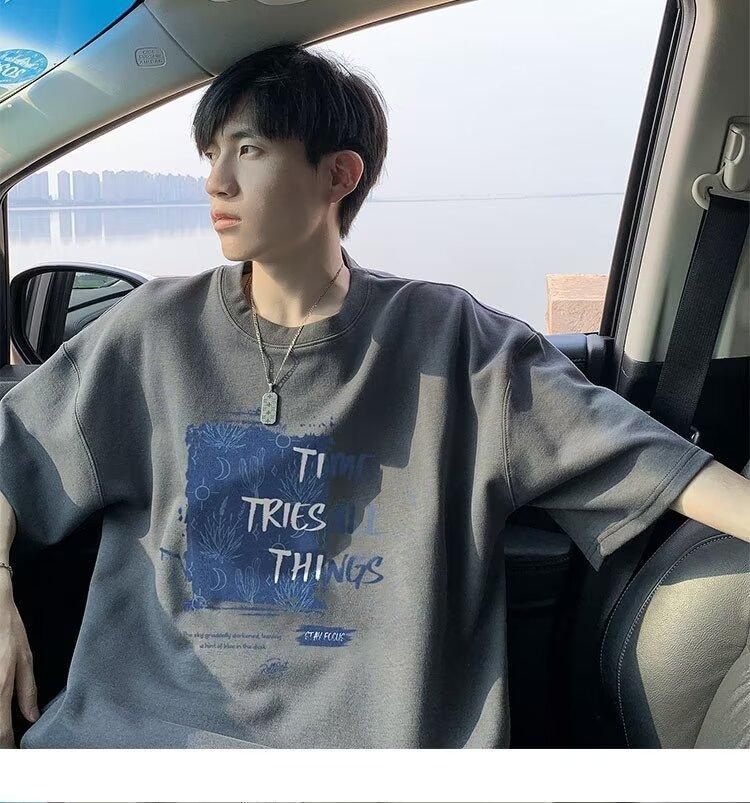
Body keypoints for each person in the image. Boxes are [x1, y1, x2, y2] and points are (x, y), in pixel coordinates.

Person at [0, 42, 748, 750]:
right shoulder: (152, 330)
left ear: (339, 175)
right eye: (211, 153)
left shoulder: (453, 342)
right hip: (129, 745)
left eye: (248, 150)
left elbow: (649, 460)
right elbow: (14, 455)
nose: (216, 181)